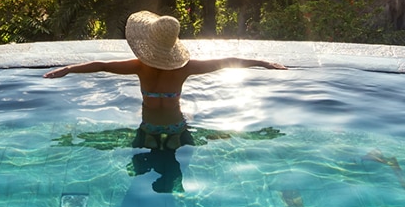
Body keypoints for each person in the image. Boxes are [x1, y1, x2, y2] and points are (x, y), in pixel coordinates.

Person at [44, 10, 286, 150]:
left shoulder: (139, 67)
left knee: (138, 167)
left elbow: (102, 66)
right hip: (177, 129)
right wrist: (263, 62)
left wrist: (68, 69)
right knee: (177, 170)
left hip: (148, 128)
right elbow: (225, 61)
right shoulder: (185, 68)